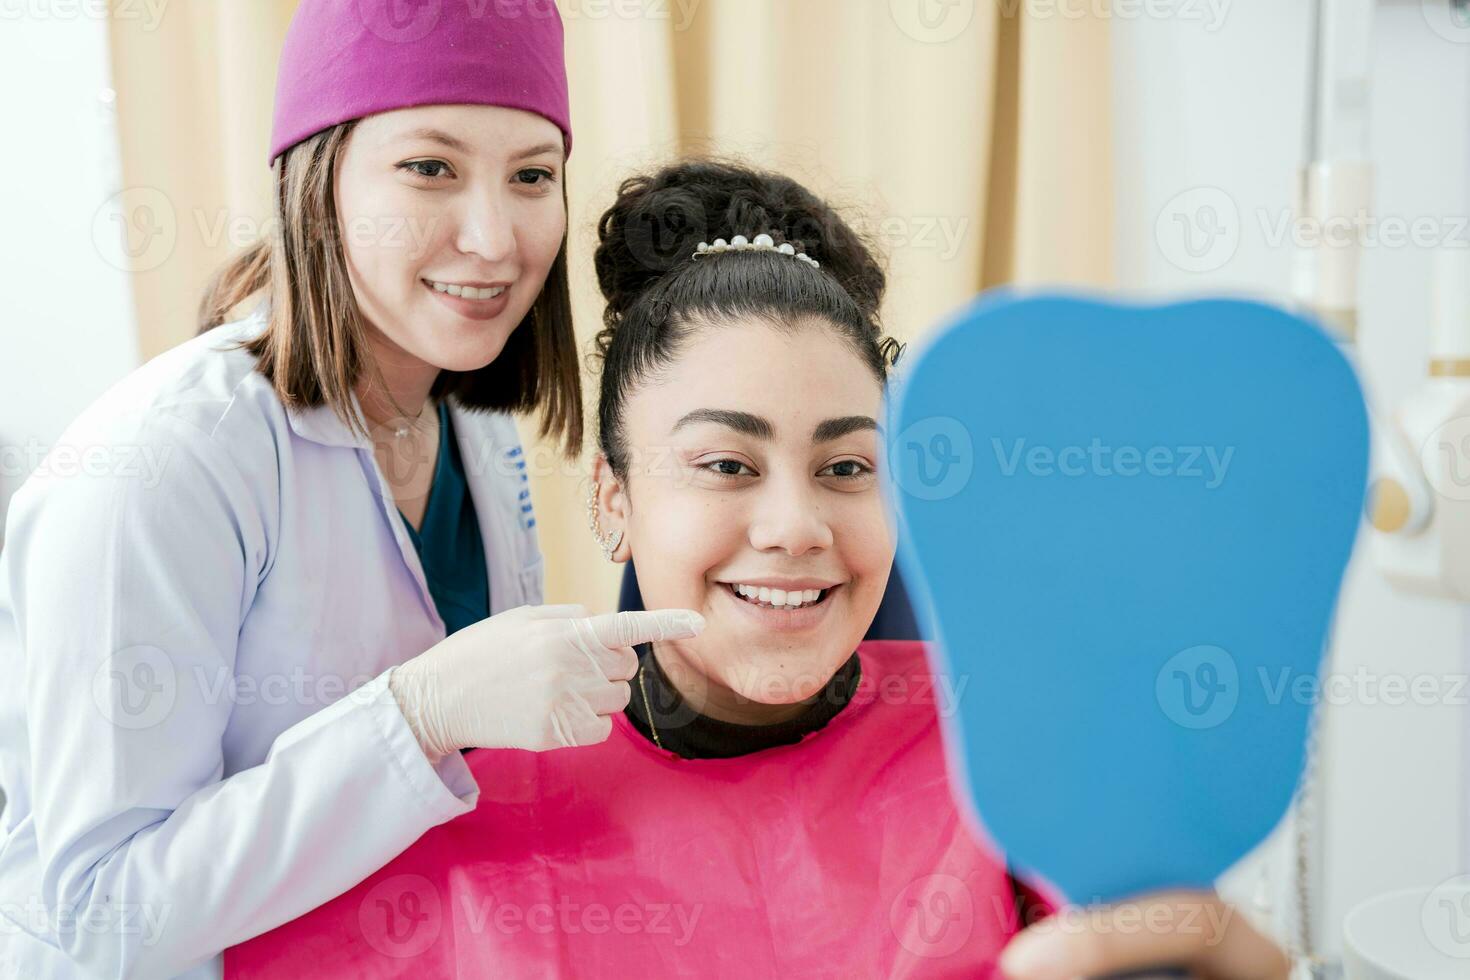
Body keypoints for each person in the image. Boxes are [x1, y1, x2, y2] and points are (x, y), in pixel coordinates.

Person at [225, 161, 1294, 979]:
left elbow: (1183, 939)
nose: (795, 525)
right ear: (613, 495)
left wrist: (1223, 940)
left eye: (845, 466)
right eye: (726, 462)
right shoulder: (456, 791)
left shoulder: (1006, 750)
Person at [0, 5, 699, 977]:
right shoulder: (158, 464)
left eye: (533, 174)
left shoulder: (476, 427)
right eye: (430, 168)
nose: (496, 238)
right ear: (318, 180)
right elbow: (98, 908)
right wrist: (417, 713)